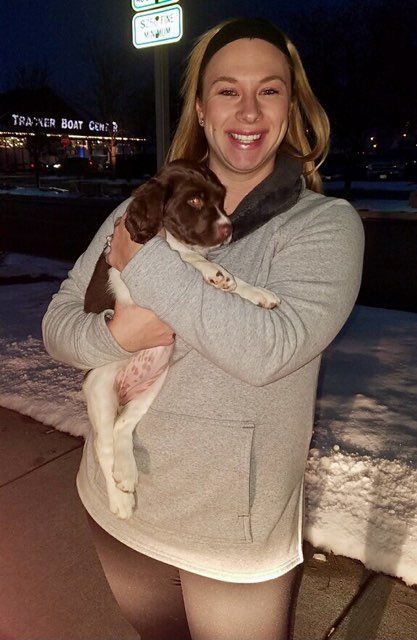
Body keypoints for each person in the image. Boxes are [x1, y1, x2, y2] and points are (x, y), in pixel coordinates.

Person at [42, 17, 364, 640]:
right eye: (227, 90)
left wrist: (148, 262)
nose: (248, 110)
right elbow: (58, 327)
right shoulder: (141, 204)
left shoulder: (324, 225)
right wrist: (117, 337)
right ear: (199, 105)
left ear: (291, 107)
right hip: (120, 507)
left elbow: (269, 350)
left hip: (231, 539)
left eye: (269, 90)